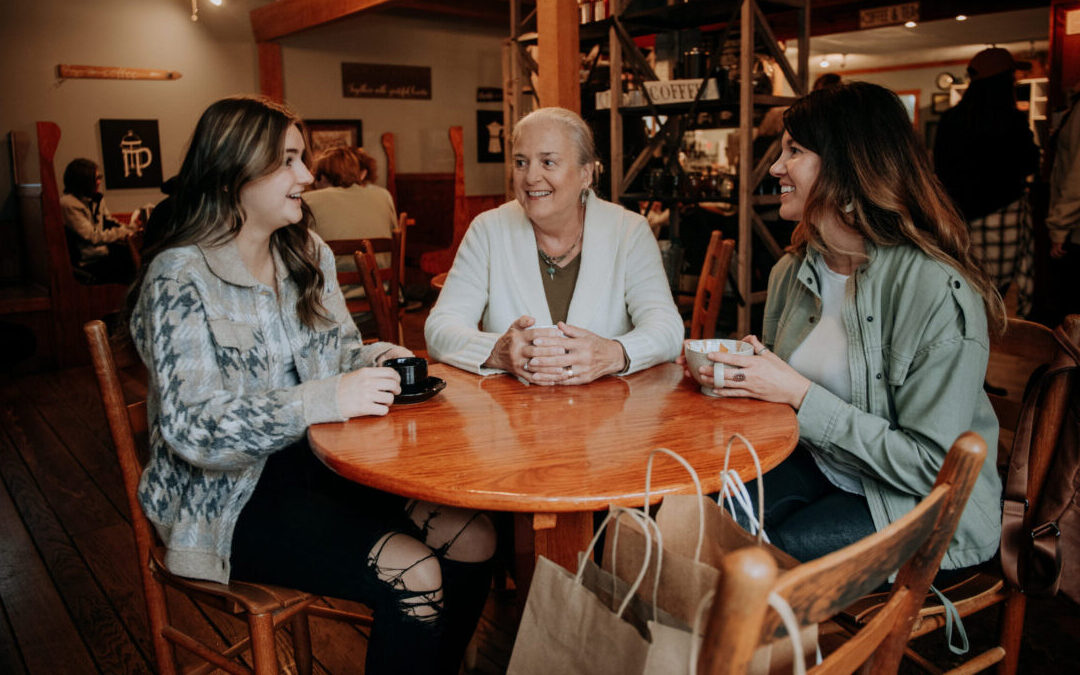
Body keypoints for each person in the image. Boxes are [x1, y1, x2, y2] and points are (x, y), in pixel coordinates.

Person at [128, 96, 494, 675]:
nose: (306, 175)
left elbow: (344, 353)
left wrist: (383, 355)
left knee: (474, 536)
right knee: (415, 572)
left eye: (304, 160)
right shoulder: (180, 276)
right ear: (234, 171)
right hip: (226, 498)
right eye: (289, 161)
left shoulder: (308, 254)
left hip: (324, 462)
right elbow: (191, 427)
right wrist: (325, 397)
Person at [686, 83, 1003, 574]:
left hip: (918, 503)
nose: (775, 167)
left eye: (795, 151)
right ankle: (705, 647)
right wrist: (747, 379)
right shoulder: (792, 271)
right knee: (701, 517)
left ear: (847, 165)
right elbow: (790, 399)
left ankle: (746, 647)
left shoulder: (936, 291)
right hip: (820, 465)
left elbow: (933, 468)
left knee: (763, 564)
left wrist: (798, 394)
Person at [424, 106, 683, 385]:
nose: (530, 177)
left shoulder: (629, 231)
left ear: (586, 174)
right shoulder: (488, 230)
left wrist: (614, 353)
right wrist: (496, 351)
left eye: (548, 162)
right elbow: (440, 328)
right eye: (521, 162)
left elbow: (666, 328)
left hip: (611, 416)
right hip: (512, 416)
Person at [934, 48, 1039, 316]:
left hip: (958, 220)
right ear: (1004, 80)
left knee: (960, 292)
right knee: (993, 296)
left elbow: (941, 170)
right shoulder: (1011, 120)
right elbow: (1030, 163)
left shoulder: (951, 119)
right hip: (1002, 219)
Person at [303, 146, 397, 300]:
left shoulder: (309, 201)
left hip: (330, 301)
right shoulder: (383, 196)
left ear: (322, 177)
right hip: (380, 295)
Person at [60, 158, 139, 284]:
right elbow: (92, 237)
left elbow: (109, 222)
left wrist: (131, 228)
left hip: (103, 253)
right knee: (130, 263)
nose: (99, 182)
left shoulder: (96, 199)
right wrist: (125, 231)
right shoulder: (68, 204)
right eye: (96, 178)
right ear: (83, 181)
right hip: (88, 261)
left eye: (99, 177)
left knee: (134, 257)